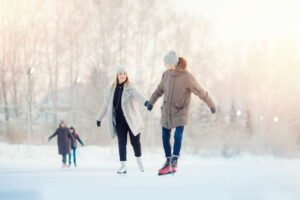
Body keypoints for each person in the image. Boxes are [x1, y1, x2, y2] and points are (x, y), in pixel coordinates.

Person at [145, 51, 216, 175]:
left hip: (180, 111)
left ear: (172, 63)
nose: (164, 64)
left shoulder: (186, 77)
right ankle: (168, 161)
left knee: (177, 136)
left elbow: (200, 91)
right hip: (166, 111)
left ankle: (174, 160)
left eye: (166, 63)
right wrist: (151, 102)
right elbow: (159, 90)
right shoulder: (165, 75)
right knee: (164, 137)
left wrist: (211, 104)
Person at [96, 66, 148, 174]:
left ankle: (139, 161)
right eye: (120, 74)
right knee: (121, 143)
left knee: (135, 142)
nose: (123, 76)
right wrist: (99, 118)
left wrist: (146, 103)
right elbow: (105, 106)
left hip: (131, 120)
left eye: (124, 74)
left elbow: (138, 96)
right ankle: (123, 166)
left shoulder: (130, 88)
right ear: (117, 75)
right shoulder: (111, 90)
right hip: (119, 121)